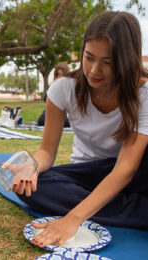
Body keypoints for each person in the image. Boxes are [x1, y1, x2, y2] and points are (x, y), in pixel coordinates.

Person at [11, 11, 148, 248]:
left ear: (127, 60)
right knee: (32, 188)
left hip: (134, 172)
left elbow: (126, 169)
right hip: (89, 173)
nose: (94, 70)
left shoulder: (143, 94)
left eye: (108, 62)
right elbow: (46, 153)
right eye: (89, 57)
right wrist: (31, 166)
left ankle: (105, 204)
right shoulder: (63, 89)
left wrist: (72, 219)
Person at [37, 62, 70, 127]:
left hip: (63, 111)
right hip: (51, 110)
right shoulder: (53, 84)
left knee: (67, 122)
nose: (60, 77)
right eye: (58, 74)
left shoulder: (69, 85)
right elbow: (45, 99)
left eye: (62, 74)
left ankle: (54, 123)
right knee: (41, 120)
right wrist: (53, 85)